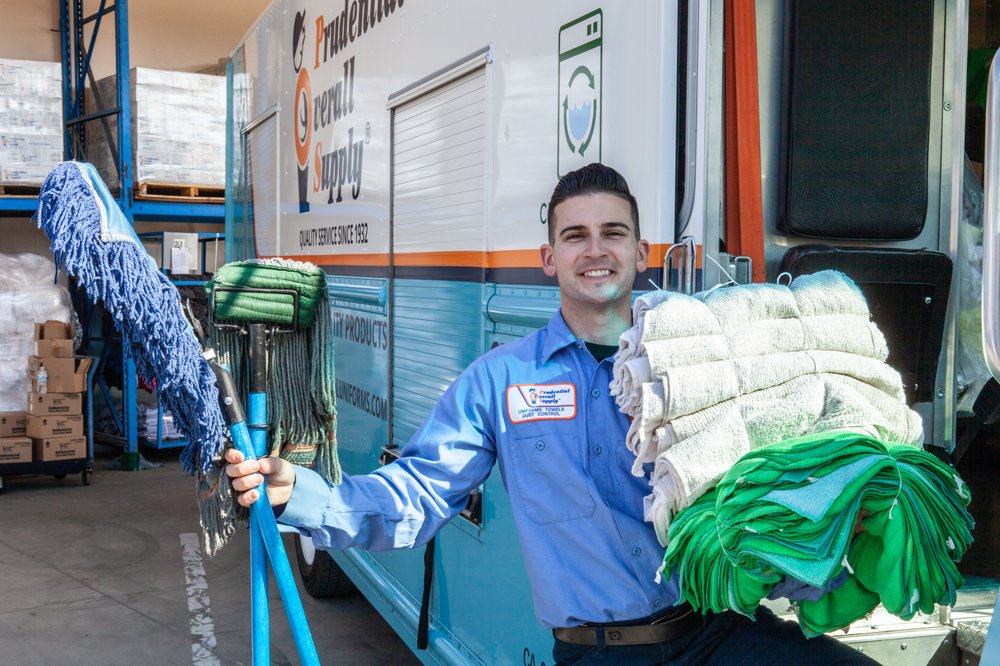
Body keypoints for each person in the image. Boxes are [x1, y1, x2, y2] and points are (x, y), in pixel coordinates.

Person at [225, 163, 876, 665]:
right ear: (549, 258)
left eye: (613, 233)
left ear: (641, 251)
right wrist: (300, 494)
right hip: (598, 654)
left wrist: (844, 558)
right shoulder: (500, 381)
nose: (595, 250)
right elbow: (416, 494)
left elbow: (762, 490)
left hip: (714, 634)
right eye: (575, 236)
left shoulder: (697, 360)